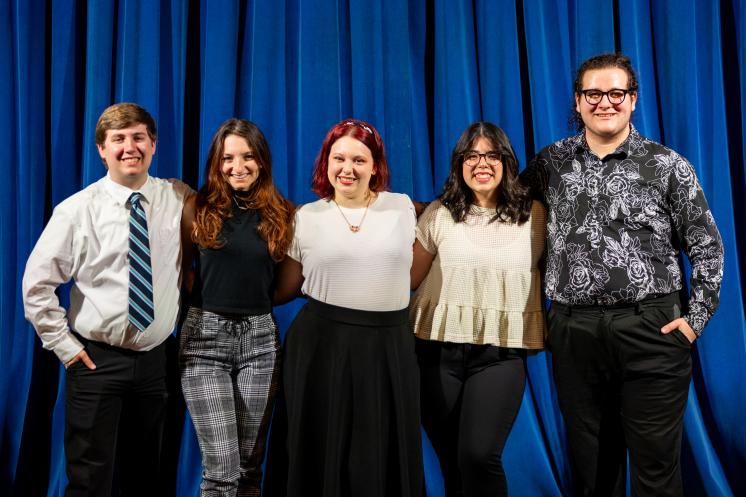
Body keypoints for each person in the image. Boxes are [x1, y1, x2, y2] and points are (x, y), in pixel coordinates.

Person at [521, 53, 724, 497]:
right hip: (574, 331)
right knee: (593, 470)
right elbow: (501, 213)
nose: (605, 102)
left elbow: (707, 247)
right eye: (593, 93)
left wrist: (695, 321)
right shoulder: (550, 162)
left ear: (633, 100)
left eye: (616, 93)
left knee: (655, 469)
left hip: (652, 329)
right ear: (577, 101)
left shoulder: (668, 166)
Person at [22, 103, 191, 497]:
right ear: (102, 149)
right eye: (118, 139)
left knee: (146, 474)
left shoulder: (177, 197)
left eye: (138, 137)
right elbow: (36, 286)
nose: (129, 147)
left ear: (153, 145)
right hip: (97, 361)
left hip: (155, 362)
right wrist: (65, 347)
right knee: (89, 477)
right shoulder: (76, 211)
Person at [268, 119, 423, 497]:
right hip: (322, 345)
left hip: (389, 346)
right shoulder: (306, 217)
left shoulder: (403, 208)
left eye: (359, 159)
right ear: (326, 163)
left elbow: (418, 270)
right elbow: (284, 288)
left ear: (375, 166)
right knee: (320, 449)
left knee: (383, 451)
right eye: (338, 158)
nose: (347, 169)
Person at [409, 122, 546, 497]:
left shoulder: (535, 216)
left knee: (478, 455)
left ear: (506, 161)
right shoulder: (439, 213)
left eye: (491, 155)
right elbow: (408, 279)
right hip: (434, 353)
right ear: (459, 164)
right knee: (451, 461)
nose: (481, 163)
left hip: (499, 356)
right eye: (472, 155)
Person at [179, 119, 294, 497]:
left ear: (262, 161)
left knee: (248, 468)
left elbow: (283, 282)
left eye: (247, 156)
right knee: (222, 471)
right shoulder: (197, 207)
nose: (237, 166)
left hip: (260, 342)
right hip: (205, 340)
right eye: (227, 158)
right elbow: (182, 273)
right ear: (216, 162)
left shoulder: (283, 213)